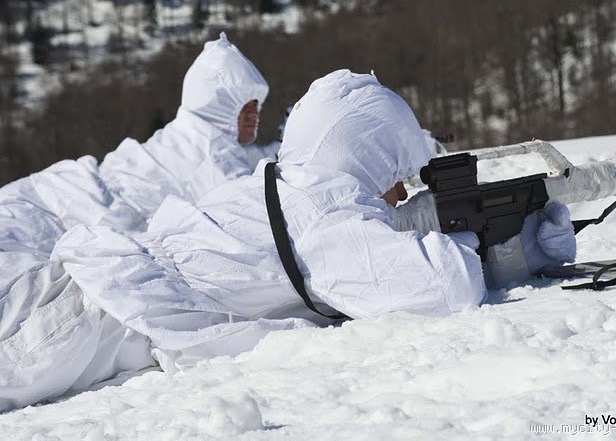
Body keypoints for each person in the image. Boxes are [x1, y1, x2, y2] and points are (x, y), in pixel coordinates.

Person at [0, 69, 575, 410]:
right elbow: (445, 287)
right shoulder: (327, 218)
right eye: (396, 170)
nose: (398, 189)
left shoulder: (290, 180)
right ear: (371, 153)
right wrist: (505, 242)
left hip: (75, 289)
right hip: (82, 321)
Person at [0, 32, 277, 257]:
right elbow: (251, 206)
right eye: (244, 107)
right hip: (75, 211)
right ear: (220, 106)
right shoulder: (211, 152)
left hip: (58, 189)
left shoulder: (190, 134)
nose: (254, 115)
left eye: (256, 106)